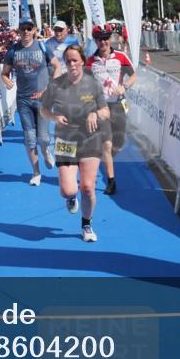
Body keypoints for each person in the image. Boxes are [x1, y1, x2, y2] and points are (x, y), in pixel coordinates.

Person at [41, 45, 110, 243]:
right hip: (65, 141)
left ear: (82, 61)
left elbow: (106, 112)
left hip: (89, 139)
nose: (71, 64)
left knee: (88, 188)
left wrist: (94, 113)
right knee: (68, 190)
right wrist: (54, 117)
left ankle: (86, 224)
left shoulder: (93, 84)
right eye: (68, 60)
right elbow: (44, 110)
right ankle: (71, 198)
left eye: (74, 60)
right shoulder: (55, 85)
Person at [85, 25, 137, 196]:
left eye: (106, 38)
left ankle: (105, 159)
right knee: (106, 144)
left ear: (110, 39)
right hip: (102, 107)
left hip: (119, 105)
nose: (103, 42)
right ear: (95, 41)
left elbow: (134, 75)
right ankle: (111, 181)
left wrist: (124, 87)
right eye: (99, 39)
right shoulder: (90, 62)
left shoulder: (121, 57)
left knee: (118, 143)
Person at [2, 21, 55, 185]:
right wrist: (6, 80)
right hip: (23, 99)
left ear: (34, 31)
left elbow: (57, 66)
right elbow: (4, 72)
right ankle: (36, 172)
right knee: (29, 137)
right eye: (23, 29)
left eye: (29, 29)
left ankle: (46, 150)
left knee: (44, 138)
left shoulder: (42, 47)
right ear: (19, 31)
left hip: (42, 99)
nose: (26, 31)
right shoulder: (13, 51)